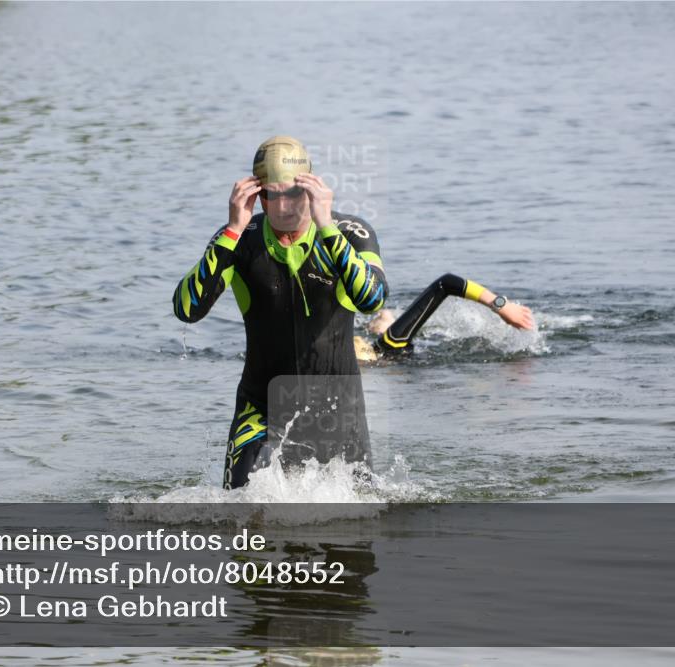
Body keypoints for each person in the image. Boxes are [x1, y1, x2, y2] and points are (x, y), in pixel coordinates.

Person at [172, 136, 388, 489]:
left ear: (313, 189)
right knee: (240, 518)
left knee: (354, 529)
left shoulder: (350, 233)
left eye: (295, 193)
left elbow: (373, 299)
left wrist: (327, 228)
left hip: (338, 411)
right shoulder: (240, 240)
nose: (285, 206)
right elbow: (186, 309)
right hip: (260, 409)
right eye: (272, 195)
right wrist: (231, 230)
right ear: (257, 194)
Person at [352, 274, 536, 362]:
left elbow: (445, 283)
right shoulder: (389, 347)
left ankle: (385, 321)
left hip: (400, 345)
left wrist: (500, 305)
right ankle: (385, 320)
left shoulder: (391, 345)